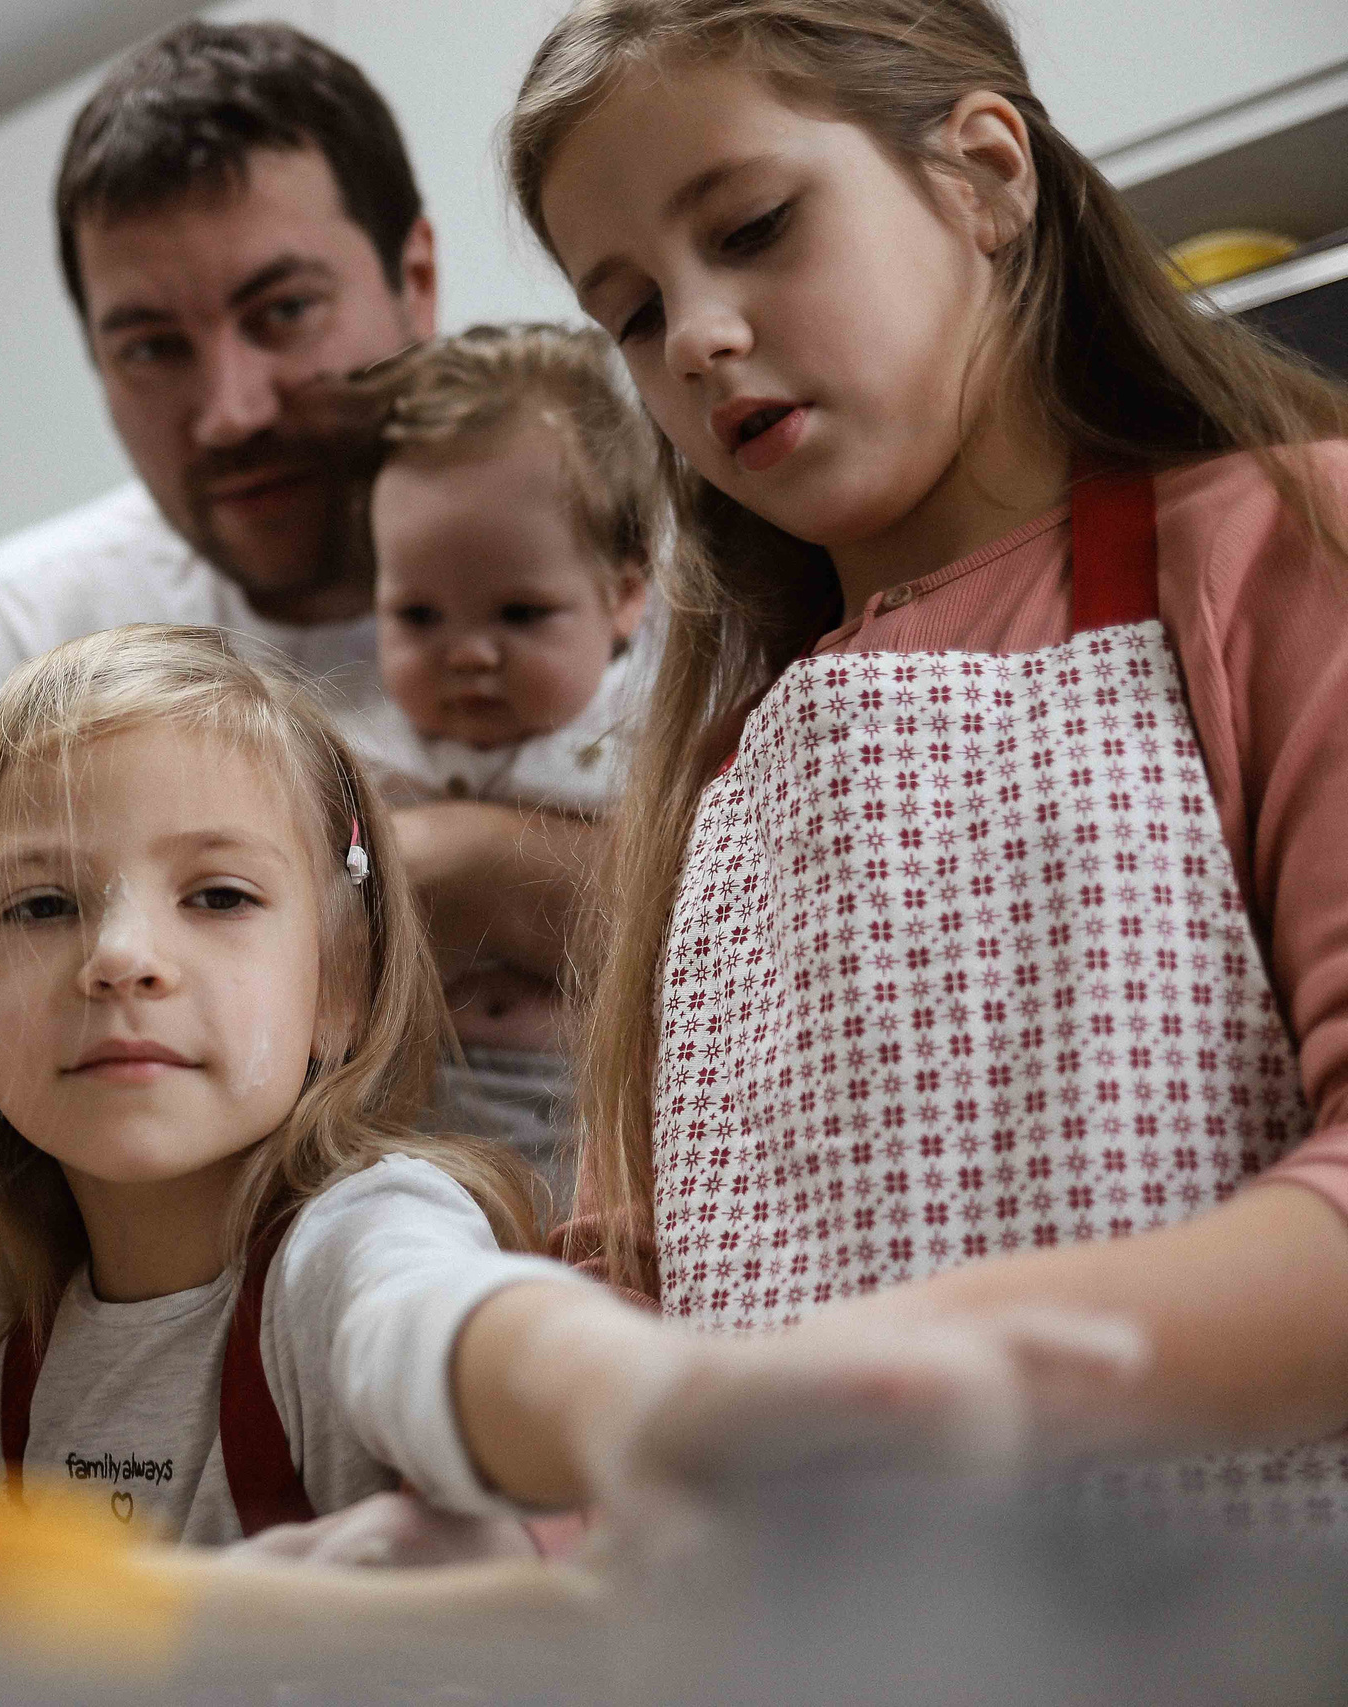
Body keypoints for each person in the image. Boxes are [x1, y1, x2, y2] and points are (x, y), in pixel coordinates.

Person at [513, 0, 1348, 1524]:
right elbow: (629, 1323)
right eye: (630, 311)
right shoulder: (706, 792)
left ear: (984, 174)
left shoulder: (1283, 548)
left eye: (756, 225)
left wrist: (947, 1372)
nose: (696, 335)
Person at [0, 624, 1142, 1548]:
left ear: (337, 986)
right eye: (41, 904)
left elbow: (454, 1335)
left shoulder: (351, 1239)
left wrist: (657, 1404)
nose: (120, 959)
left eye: (217, 897)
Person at [0, 21, 595, 1173]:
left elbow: (783, 926)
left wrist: (452, 857)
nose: (230, 409)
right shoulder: (34, 622)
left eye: (282, 312)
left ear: (413, 275)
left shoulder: (635, 532)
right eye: (153, 346)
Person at [338, 325, 657, 1201]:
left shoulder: (646, 738)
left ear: (625, 595)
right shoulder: (367, 755)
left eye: (519, 613)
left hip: (597, 1112)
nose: (468, 654)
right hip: (419, 1111)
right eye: (419, 616)